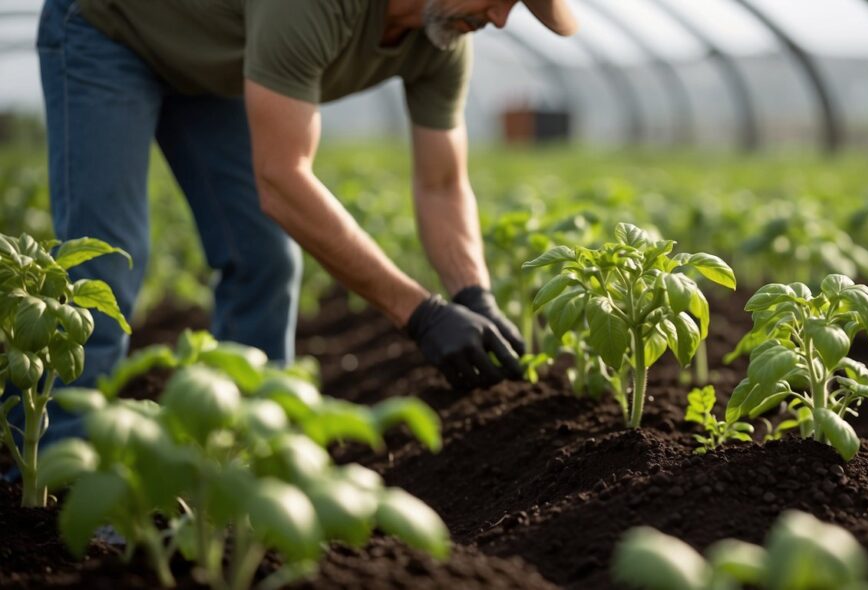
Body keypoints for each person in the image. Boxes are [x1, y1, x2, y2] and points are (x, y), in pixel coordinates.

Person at [31, 0, 579, 446]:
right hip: (112, 29)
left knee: (265, 259)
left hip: (214, 70)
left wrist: (473, 294)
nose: (503, 19)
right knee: (104, 260)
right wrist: (422, 314)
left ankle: (247, 445)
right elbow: (282, 182)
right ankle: (62, 466)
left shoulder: (446, 43)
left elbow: (442, 184)